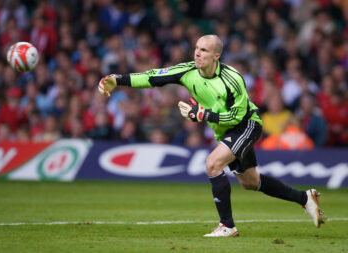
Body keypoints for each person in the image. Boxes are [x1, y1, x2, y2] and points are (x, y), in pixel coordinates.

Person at [98, 35, 324, 237]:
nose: (197, 53)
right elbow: (152, 76)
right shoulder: (187, 71)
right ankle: (304, 198)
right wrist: (117, 80)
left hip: (246, 125)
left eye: (204, 50)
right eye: (197, 48)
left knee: (213, 164)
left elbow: (236, 116)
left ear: (217, 55)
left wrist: (202, 114)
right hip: (226, 130)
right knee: (250, 182)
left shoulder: (232, 79)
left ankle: (227, 226)